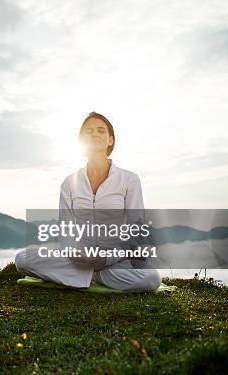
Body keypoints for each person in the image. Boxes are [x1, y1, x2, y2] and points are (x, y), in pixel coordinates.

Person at [15, 111, 162, 292]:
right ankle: (93, 275)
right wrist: (74, 253)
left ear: (111, 140)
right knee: (22, 259)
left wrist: (107, 259)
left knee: (151, 278)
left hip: (117, 258)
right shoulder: (69, 183)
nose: (94, 134)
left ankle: (92, 276)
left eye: (101, 130)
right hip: (80, 258)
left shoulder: (129, 180)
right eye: (89, 131)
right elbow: (66, 229)